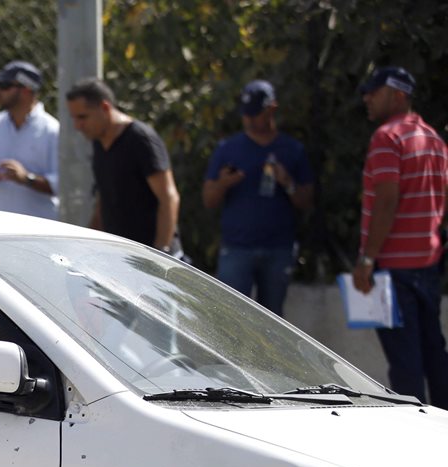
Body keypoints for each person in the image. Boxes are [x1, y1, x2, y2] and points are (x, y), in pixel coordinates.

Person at [352, 66, 448, 407]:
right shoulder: (434, 139)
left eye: (374, 92)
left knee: (405, 363)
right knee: (434, 354)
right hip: (428, 265)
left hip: (391, 270)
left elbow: (387, 199)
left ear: (399, 94)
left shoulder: (386, 137)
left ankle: (415, 437)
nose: (367, 98)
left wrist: (366, 259)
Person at [202, 80, 314, 316]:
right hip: (237, 249)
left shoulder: (292, 150)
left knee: (272, 323)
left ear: (272, 109)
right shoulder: (228, 149)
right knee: (230, 319)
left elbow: (306, 202)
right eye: (246, 114)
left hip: (278, 249)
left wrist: (288, 183)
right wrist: (224, 184)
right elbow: (209, 200)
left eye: (256, 114)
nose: (250, 120)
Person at [65, 78, 182, 255]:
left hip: (151, 257)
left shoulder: (140, 139)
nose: (78, 126)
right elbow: (103, 200)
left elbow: (169, 198)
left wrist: (161, 254)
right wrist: (86, 249)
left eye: (83, 117)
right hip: (120, 256)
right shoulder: (99, 143)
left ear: (105, 108)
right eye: (74, 118)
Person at [0, 60, 60, 219]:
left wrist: (26, 178)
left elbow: (63, 185)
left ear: (26, 89)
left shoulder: (52, 130)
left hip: (41, 232)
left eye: (4, 85)